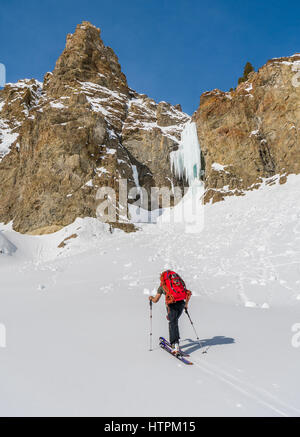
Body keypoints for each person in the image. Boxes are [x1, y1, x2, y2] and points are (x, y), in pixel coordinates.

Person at [149, 270, 192, 355]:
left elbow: (156, 300)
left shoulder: (162, 286)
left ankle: (175, 344)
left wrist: (151, 298)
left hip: (171, 304)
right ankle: (175, 341)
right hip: (181, 303)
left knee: (172, 322)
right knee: (174, 321)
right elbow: (186, 293)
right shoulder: (177, 283)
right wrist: (186, 305)